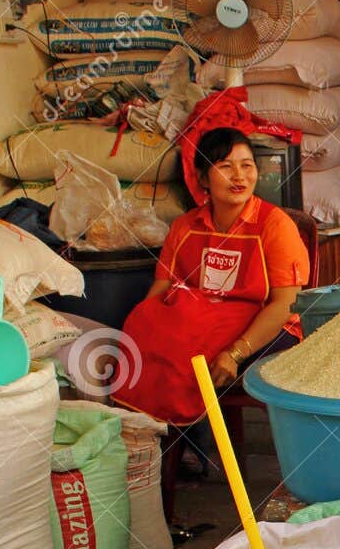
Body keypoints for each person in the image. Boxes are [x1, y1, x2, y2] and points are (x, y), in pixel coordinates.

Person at [115, 126, 310, 425]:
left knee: (185, 342)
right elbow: (162, 286)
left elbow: (286, 304)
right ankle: (143, 430)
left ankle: (174, 430)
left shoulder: (275, 225)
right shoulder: (184, 226)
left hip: (267, 324)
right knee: (143, 321)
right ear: (203, 178)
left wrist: (235, 353)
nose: (239, 176)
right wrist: (144, 328)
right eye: (225, 167)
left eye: (247, 166)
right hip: (202, 317)